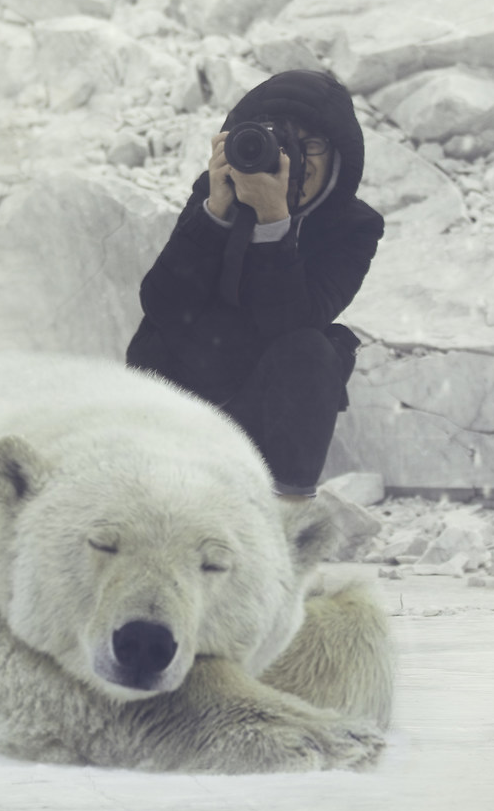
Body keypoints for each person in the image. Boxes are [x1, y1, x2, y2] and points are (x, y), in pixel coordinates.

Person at [126, 69, 384, 497]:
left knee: (315, 350)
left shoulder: (353, 228)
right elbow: (163, 304)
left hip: (263, 412)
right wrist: (213, 215)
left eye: (311, 144)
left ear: (338, 154)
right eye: (281, 141)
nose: (293, 157)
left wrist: (273, 223)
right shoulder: (220, 190)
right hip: (179, 404)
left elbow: (292, 324)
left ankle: (286, 510)